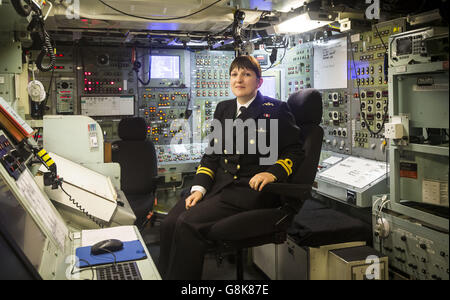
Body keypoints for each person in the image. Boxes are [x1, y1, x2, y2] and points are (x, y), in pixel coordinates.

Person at [158, 55, 304, 279]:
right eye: (235, 74)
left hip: (250, 191)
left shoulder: (275, 110)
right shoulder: (224, 109)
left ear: (259, 82)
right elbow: (211, 155)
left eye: (246, 74)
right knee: (169, 222)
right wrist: (199, 189)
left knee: (187, 224)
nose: (239, 79)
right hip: (220, 187)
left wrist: (273, 172)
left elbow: (294, 150)